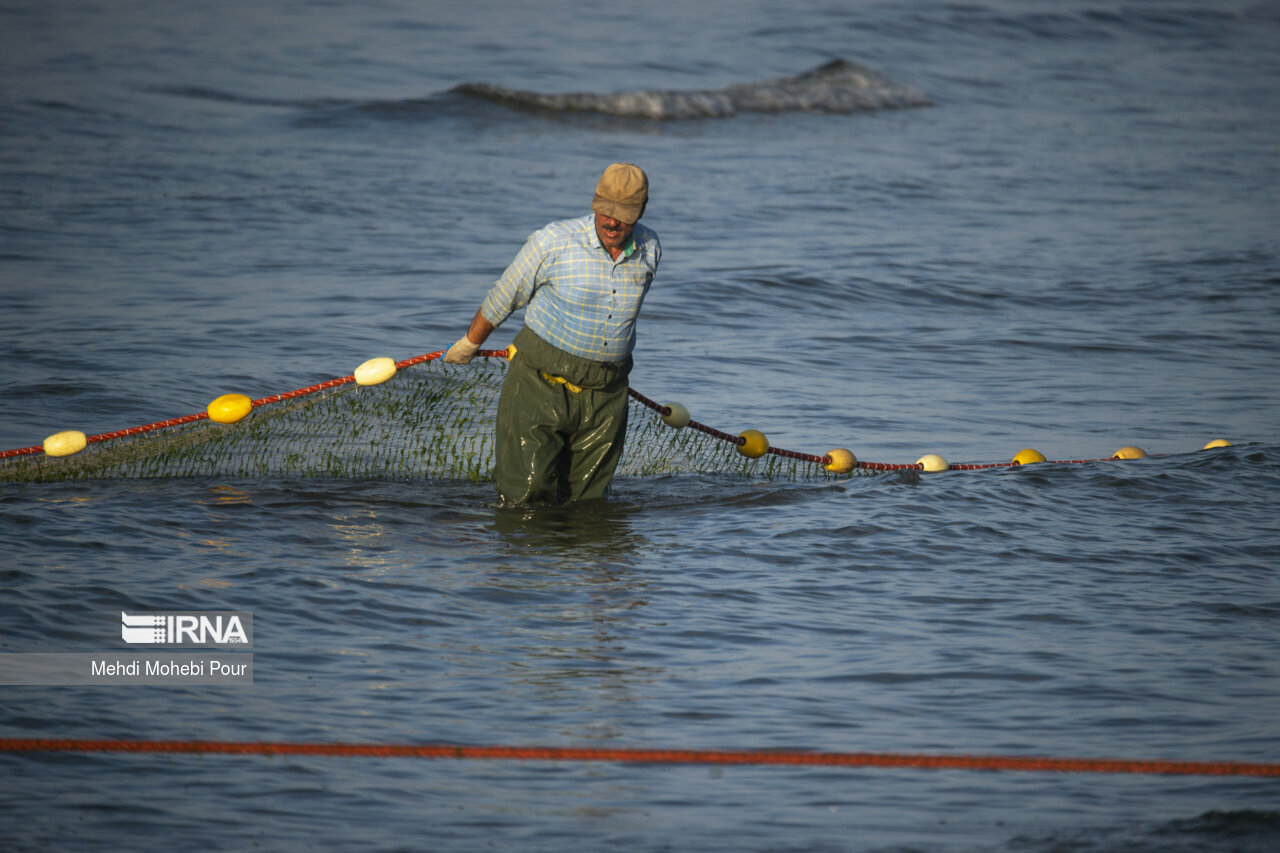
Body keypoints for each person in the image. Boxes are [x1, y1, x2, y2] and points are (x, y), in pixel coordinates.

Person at [443, 163, 661, 504]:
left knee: (589, 504)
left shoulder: (650, 248)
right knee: (525, 497)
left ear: (642, 211)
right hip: (539, 384)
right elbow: (505, 295)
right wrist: (470, 343)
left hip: (607, 393)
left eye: (623, 214)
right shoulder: (553, 242)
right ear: (595, 203)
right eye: (605, 211)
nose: (612, 222)